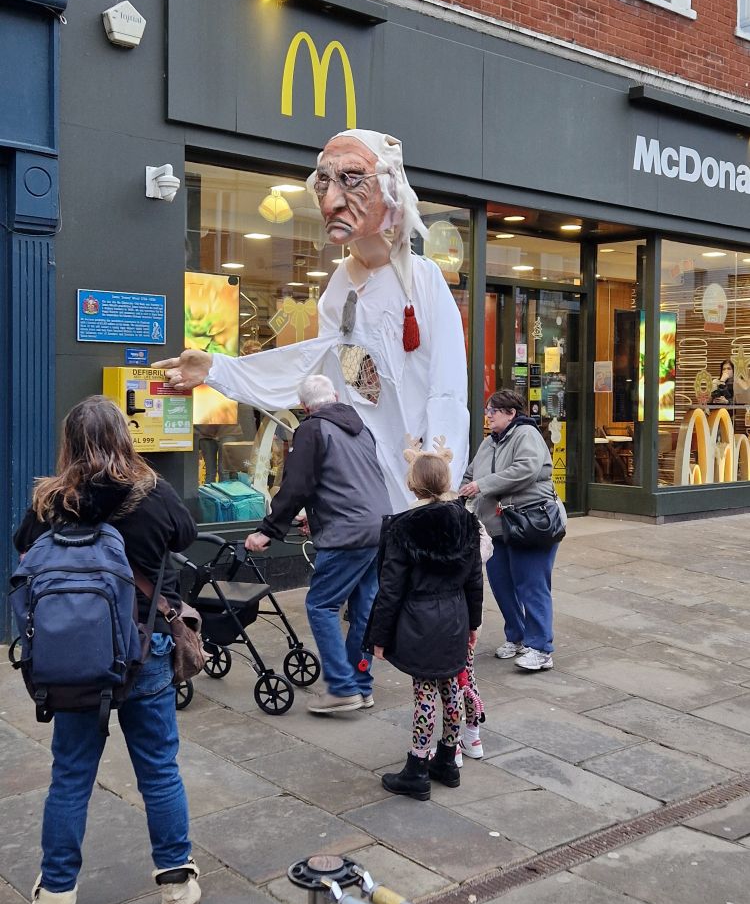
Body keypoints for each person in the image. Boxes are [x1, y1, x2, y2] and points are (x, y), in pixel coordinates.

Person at [154, 130, 469, 511]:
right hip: (361, 488)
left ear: (389, 189)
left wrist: (436, 478)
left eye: (351, 178)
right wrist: (218, 368)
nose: (332, 200)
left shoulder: (423, 280)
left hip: (417, 486)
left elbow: (447, 389)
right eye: (323, 181)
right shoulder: (340, 287)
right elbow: (320, 368)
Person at [13, 396, 200, 904]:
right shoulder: (153, 493)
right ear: (124, 436)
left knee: (69, 777)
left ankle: (56, 895)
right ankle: (175, 886)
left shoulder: (49, 503)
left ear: (68, 444)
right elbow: (184, 536)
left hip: (74, 661)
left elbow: (22, 550)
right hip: (144, 651)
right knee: (159, 771)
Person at [245, 374, 391, 714]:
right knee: (364, 610)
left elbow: (296, 485)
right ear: (336, 396)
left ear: (305, 406)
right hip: (378, 526)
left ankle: (341, 688)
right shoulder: (360, 428)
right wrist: (317, 515)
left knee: (321, 605)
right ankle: (360, 684)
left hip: (348, 533)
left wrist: (268, 530)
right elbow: (349, 481)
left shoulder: (311, 429)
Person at [365, 445, 483, 800]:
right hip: (455, 617)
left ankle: (417, 767)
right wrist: (473, 623)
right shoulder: (466, 521)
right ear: (446, 481)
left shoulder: (403, 528)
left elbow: (390, 588)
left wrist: (378, 637)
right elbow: (474, 579)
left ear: (413, 485)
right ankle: (446, 759)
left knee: (425, 694)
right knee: (452, 689)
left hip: (420, 621)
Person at [459, 389, 565, 672]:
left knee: (531, 586)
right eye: (487, 410)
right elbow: (471, 474)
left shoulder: (526, 435)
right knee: (502, 585)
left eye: (493, 410)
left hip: (530, 524)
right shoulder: (488, 442)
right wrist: (460, 490)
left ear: (511, 413)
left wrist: (483, 485)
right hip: (498, 528)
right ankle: (516, 637)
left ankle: (541, 648)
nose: (488, 415)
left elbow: (526, 469)